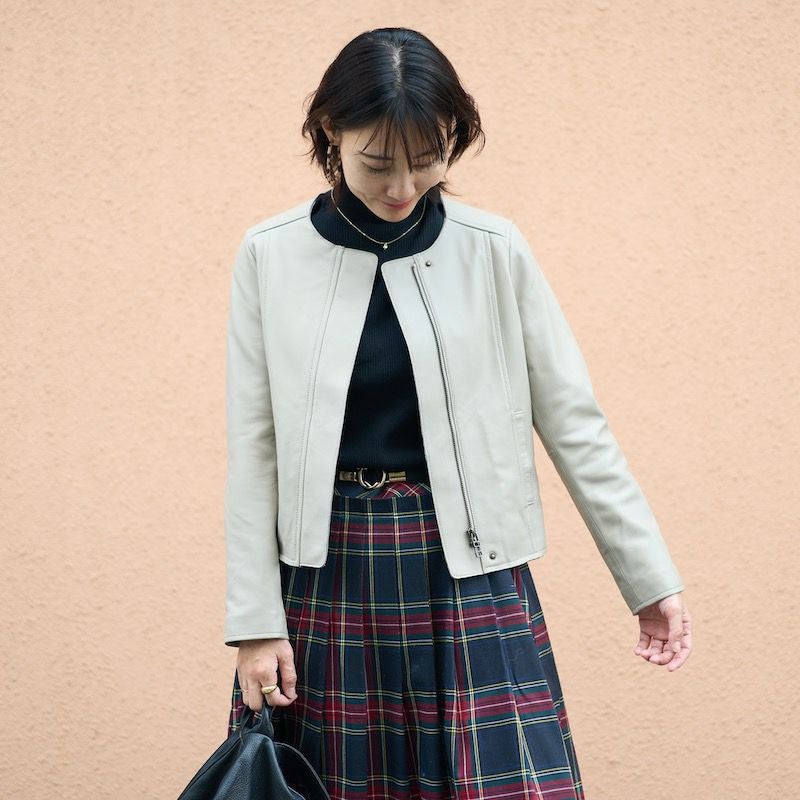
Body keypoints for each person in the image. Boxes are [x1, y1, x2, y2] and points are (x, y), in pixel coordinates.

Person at [223, 26, 692, 800]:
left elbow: (575, 422)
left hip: (470, 570)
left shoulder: (493, 249)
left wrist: (648, 579)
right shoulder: (269, 255)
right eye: (379, 161)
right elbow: (255, 447)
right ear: (330, 133)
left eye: (428, 157)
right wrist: (254, 622)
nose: (403, 185)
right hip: (327, 573)